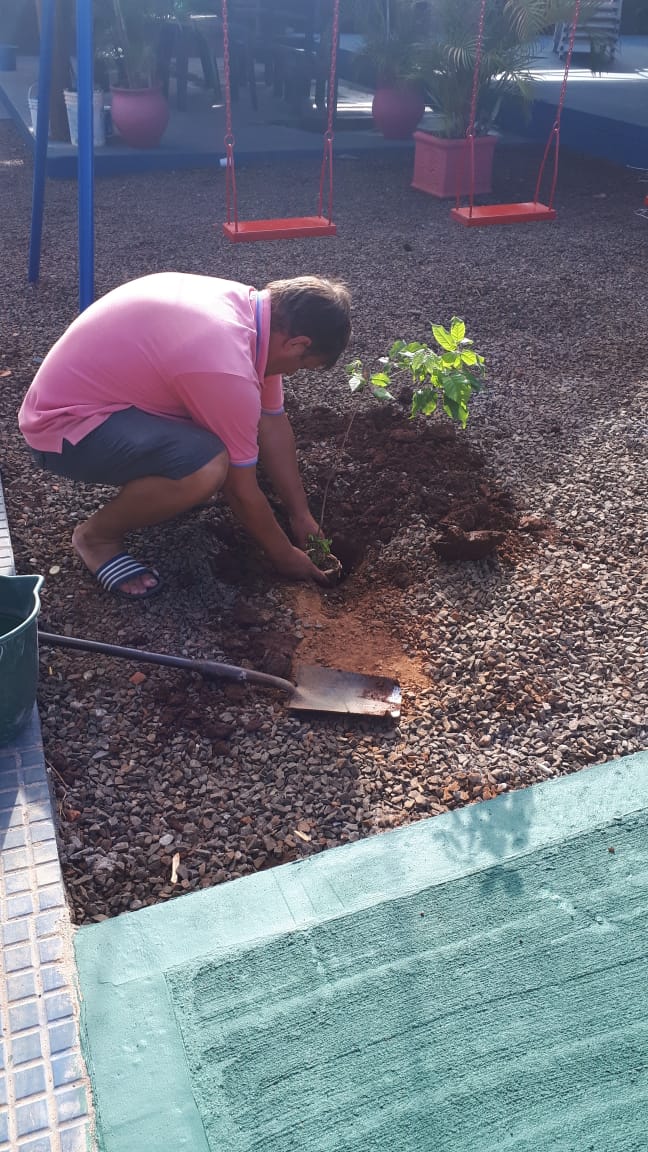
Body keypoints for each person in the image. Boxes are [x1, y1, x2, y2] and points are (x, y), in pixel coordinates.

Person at [18, 272, 352, 599]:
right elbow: (239, 488)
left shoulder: (255, 319)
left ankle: (156, 488)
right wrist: (284, 556)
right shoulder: (225, 362)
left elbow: (272, 422)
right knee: (205, 467)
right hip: (63, 428)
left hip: (105, 401)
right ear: (297, 344)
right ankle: (96, 538)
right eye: (302, 366)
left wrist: (301, 514)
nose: (293, 372)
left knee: (216, 445)